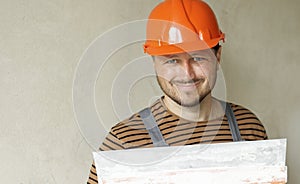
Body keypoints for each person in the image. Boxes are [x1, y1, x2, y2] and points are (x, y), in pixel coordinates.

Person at [87, 0, 268, 183]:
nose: (187, 74)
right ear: (154, 63)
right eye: (172, 60)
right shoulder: (122, 142)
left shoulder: (249, 127)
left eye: (197, 58)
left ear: (217, 57)